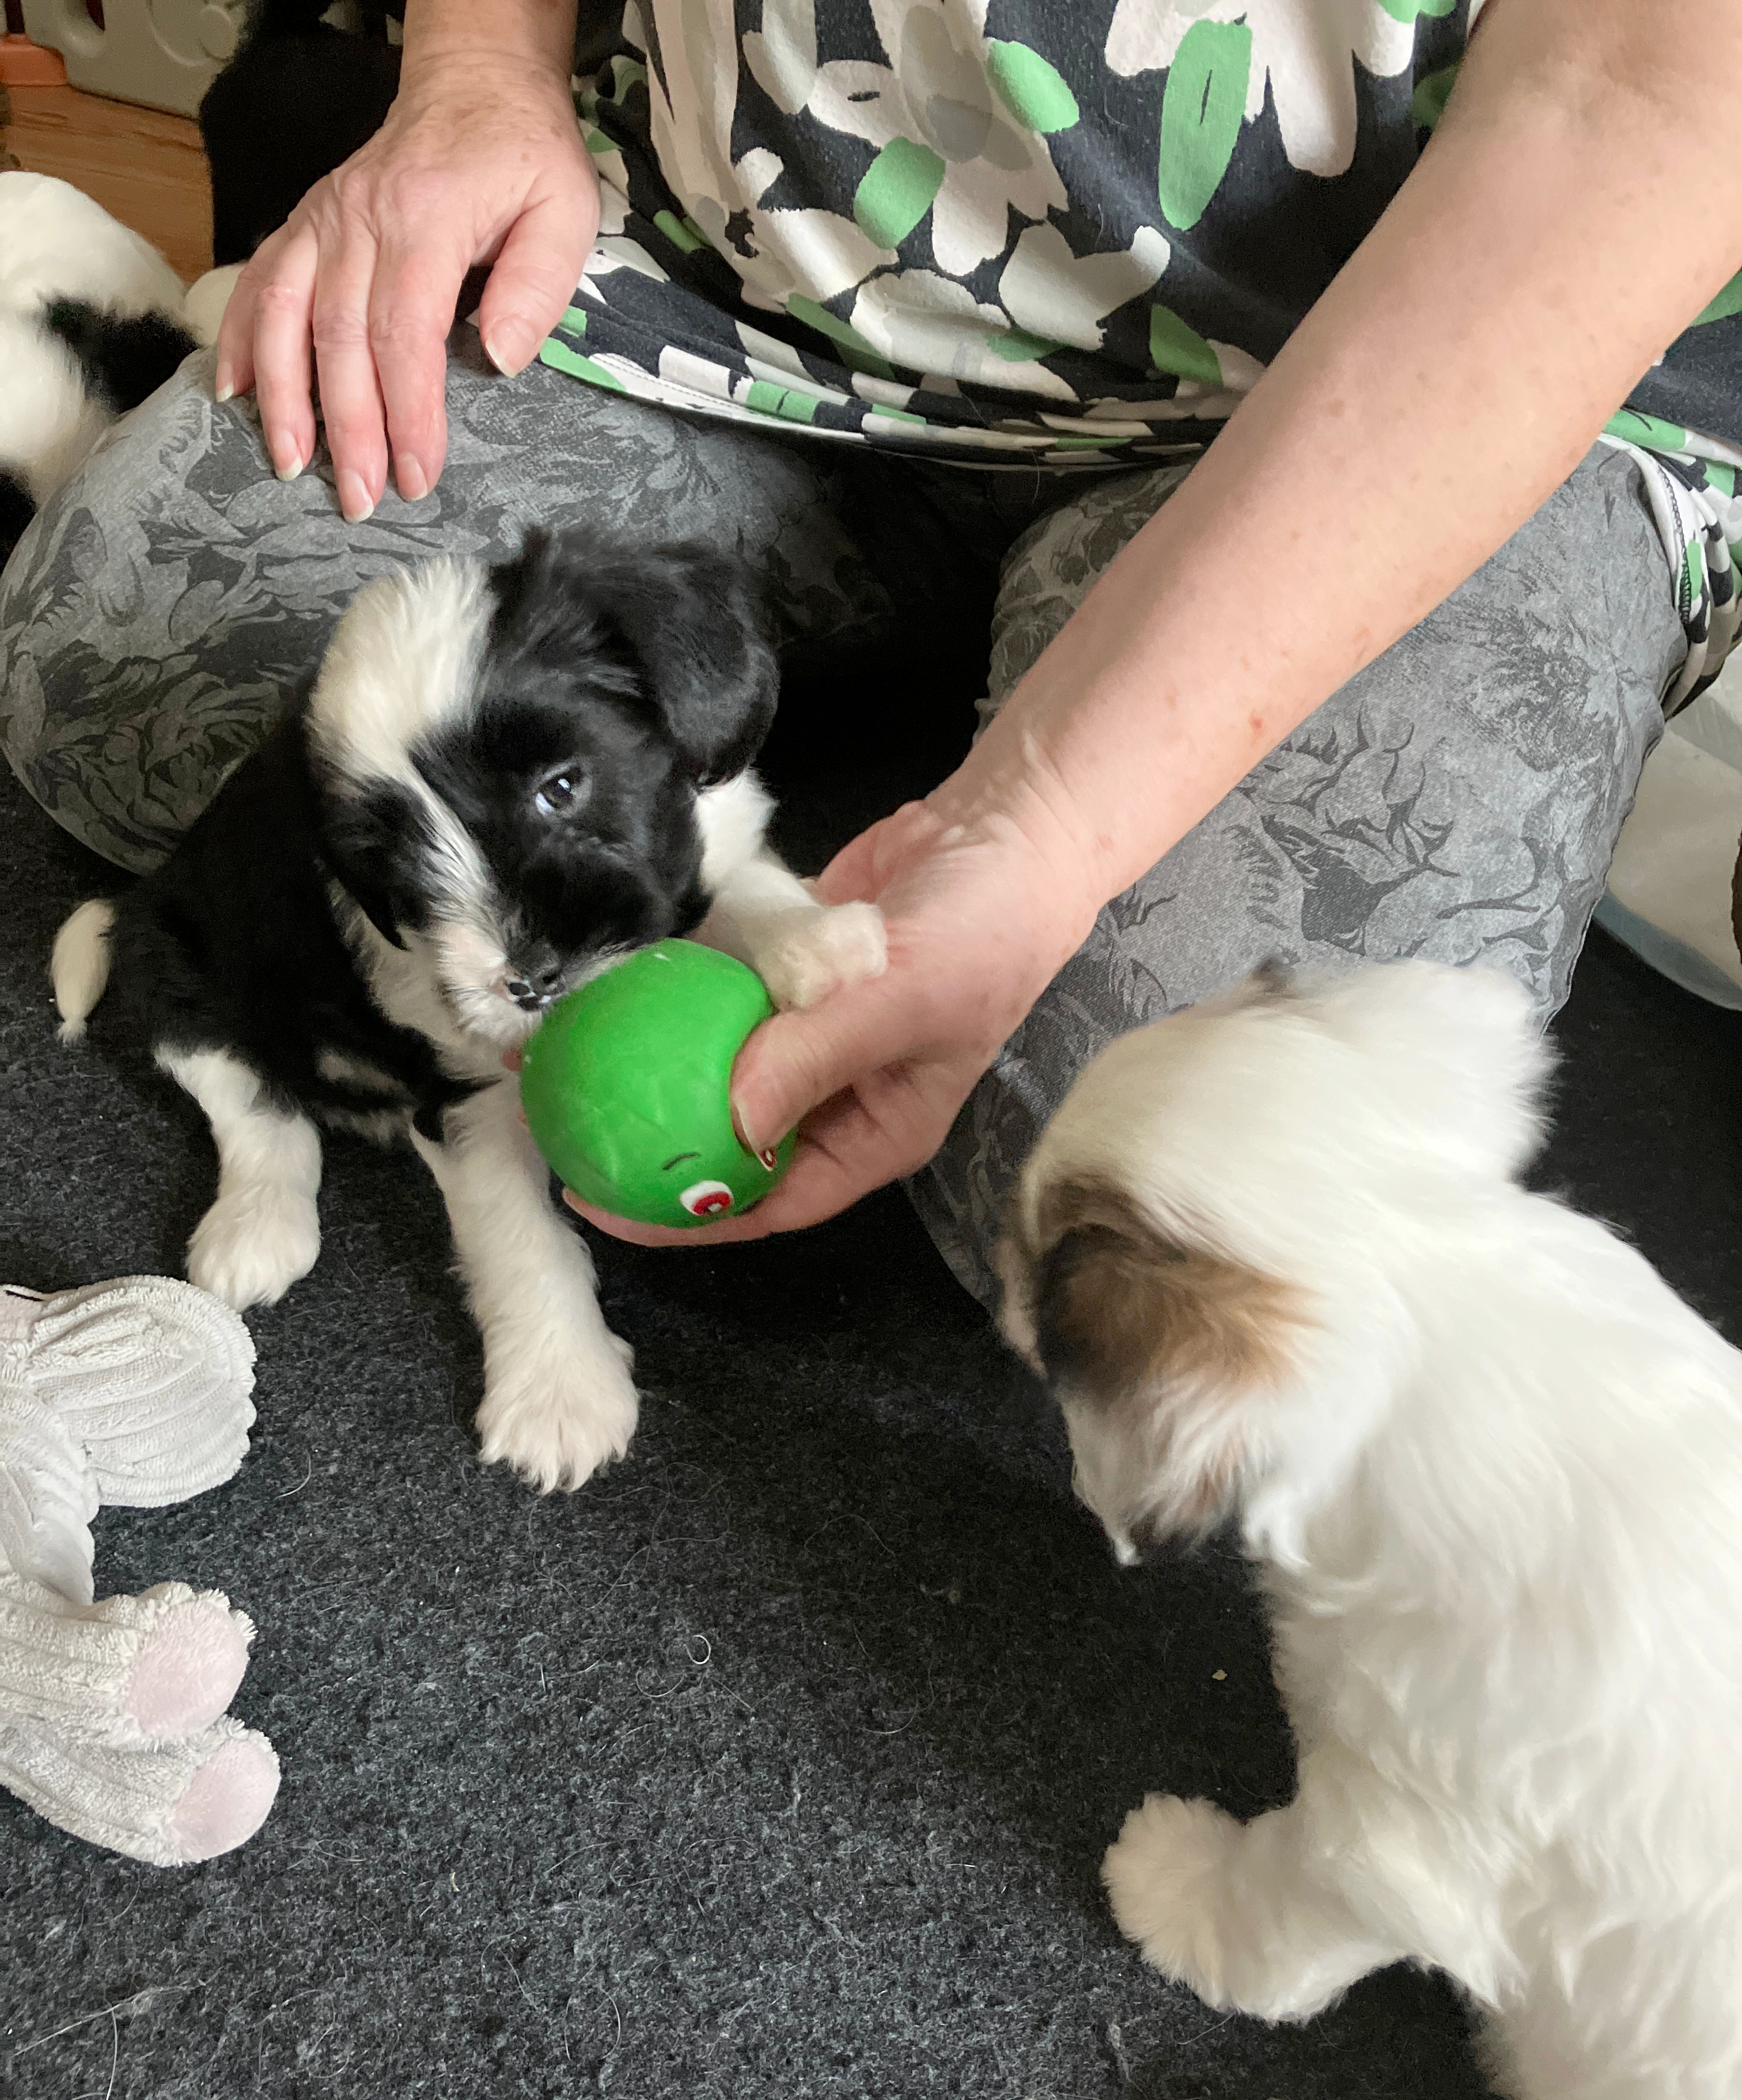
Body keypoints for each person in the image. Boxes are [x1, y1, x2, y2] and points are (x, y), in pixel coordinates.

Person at [3, 0, 1739, 1310]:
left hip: (1382, 386)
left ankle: (1000, 729)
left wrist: (1048, 820)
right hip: (726, 279)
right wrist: (476, 68)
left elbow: (1637, 97)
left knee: (1192, 1207)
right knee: (114, 682)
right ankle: (889, 692)